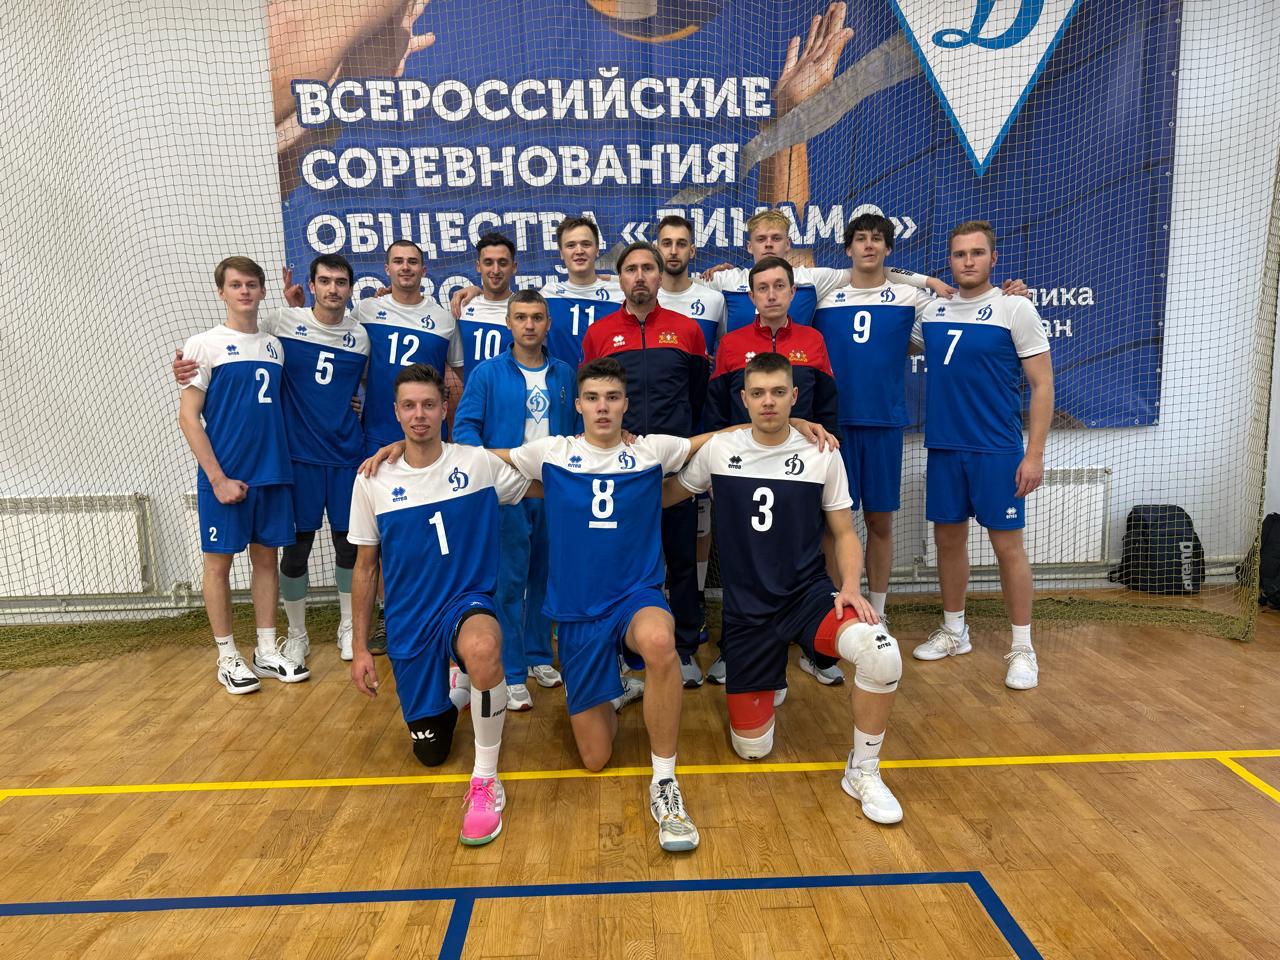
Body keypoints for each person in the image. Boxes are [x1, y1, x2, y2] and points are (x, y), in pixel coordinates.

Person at [666, 352, 904, 823]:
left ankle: (864, 770)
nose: (768, 402)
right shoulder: (719, 450)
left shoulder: (822, 452)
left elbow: (843, 532)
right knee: (752, 749)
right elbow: (668, 494)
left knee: (882, 653)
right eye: (758, 393)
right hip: (746, 614)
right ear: (744, 399)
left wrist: (850, 585)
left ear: (794, 397)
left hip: (805, 597)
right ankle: (770, 674)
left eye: (778, 392)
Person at [348, 363, 533, 846]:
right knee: (430, 753)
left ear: (445, 408)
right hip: (410, 621)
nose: (420, 415)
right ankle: (458, 689)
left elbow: (539, 478)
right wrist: (361, 647)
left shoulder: (476, 464)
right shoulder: (372, 479)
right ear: (395, 412)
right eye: (409, 406)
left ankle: (486, 781)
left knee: (483, 647)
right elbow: (365, 569)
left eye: (429, 404)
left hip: (465, 604)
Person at [175, 255, 371, 663]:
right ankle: (294, 635)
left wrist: (356, 403)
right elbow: (198, 404)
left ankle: (346, 627)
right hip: (295, 458)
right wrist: (184, 368)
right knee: (294, 549)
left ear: (351, 288)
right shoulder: (279, 326)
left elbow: (363, 385)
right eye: (324, 280)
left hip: (338, 457)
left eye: (341, 281)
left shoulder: (359, 336)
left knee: (347, 546)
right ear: (311, 286)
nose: (333, 288)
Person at [910, 221, 1053, 690]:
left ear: (994, 258)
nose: (968, 261)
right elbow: (882, 290)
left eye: (976, 253)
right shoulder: (932, 310)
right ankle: (955, 631)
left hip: (996, 449)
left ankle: (1023, 648)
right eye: (959, 254)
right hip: (945, 447)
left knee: (1008, 548)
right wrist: (926, 283)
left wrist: (1034, 455)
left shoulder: (1015, 307)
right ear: (949, 261)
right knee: (947, 542)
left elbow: (1042, 385)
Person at [704, 254, 842, 686]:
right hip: (742, 472)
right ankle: (734, 647)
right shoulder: (732, 344)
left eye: (779, 286)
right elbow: (716, 411)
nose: (771, 295)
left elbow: (827, 406)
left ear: (793, 292)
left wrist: (829, 452)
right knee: (740, 559)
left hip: (801, 471)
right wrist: (715, 471)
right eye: (762, 288)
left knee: (808, 553)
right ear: (751, 296)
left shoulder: (813, 341)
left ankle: (815, 650)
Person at [581, 243, 710, 689]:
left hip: (674, 467)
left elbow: (697, 395)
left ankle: (686, 647)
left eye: (648, 268)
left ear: (660, 276)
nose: (640, 276)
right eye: (631, 269)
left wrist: (681, 443)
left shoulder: (687, 330)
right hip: (620, 473)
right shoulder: (599, 334)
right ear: (619, 279)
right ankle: (620, 651)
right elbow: (594, 398)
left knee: (681, 557)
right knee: (621, 561)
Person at [177, 256, 308, 693]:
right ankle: (227, 655)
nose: (245, 291)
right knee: (218, 564)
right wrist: (217, 478)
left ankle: (266, 649)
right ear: (222, 292)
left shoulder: (274, 346)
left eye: (252, 284)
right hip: (226, 476)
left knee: (266, 560)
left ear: (262, 290)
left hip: (272, 472)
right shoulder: (203, 345)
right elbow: (189, 418)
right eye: (236, 285)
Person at [453, 290, 578, 711]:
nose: (529, 325)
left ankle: (539, 655)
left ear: (548, 324)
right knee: (509, 581)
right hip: (508, 491)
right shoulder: (487, 374)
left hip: (553, 491)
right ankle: (511, 669)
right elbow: (465, 429)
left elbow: (575, 432)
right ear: (508, 323)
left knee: (546, 575)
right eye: (521, 317)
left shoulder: (565, 373)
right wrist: (493, 469)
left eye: (537, 317)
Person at [812, 214, 937, 623]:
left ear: (888, 248)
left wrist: (1008, 295)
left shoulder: (908, 299)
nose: (869, 245)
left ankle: (879, 613)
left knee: (879, 521)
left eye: (877, 239)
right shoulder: (825, 296)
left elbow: (958, 313)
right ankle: (837, 612)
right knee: (834, 524)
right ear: (848, 249)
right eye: (861, 239)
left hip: (884, 424)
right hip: (834, 429)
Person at [700, 210, 945, 333]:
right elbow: (683, 290)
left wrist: (928, 281)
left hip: (793, 385)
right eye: (761, 239)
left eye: (776, 238)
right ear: (749, 246)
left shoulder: (812, 278)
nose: (769, 245)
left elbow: (870, 269)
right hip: (739, 383)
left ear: (788, 244)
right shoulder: (725, 280)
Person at [455, 233, 519, 377]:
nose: (495, 270)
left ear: (514, 267)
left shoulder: (523, 310)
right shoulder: (463, 308)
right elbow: (456, 362)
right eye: (488, 263)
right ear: (478, 266)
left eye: (502, 263)